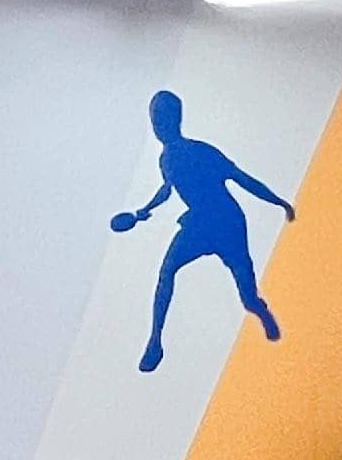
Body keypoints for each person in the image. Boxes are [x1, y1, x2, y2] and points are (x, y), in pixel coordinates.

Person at [110, 90, 290, 371]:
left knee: (247, 296)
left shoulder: (201, 151)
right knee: (167, 270)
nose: (158, 126)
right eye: (155, 120)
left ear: (174, 120)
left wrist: (277, 201)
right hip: (199, 224)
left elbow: (241, 178)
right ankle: (155, 340)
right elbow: (167, 189)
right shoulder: (166, 159)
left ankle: (259, 309)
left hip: (227, 223)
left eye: (161, 120)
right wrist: (144, 210)